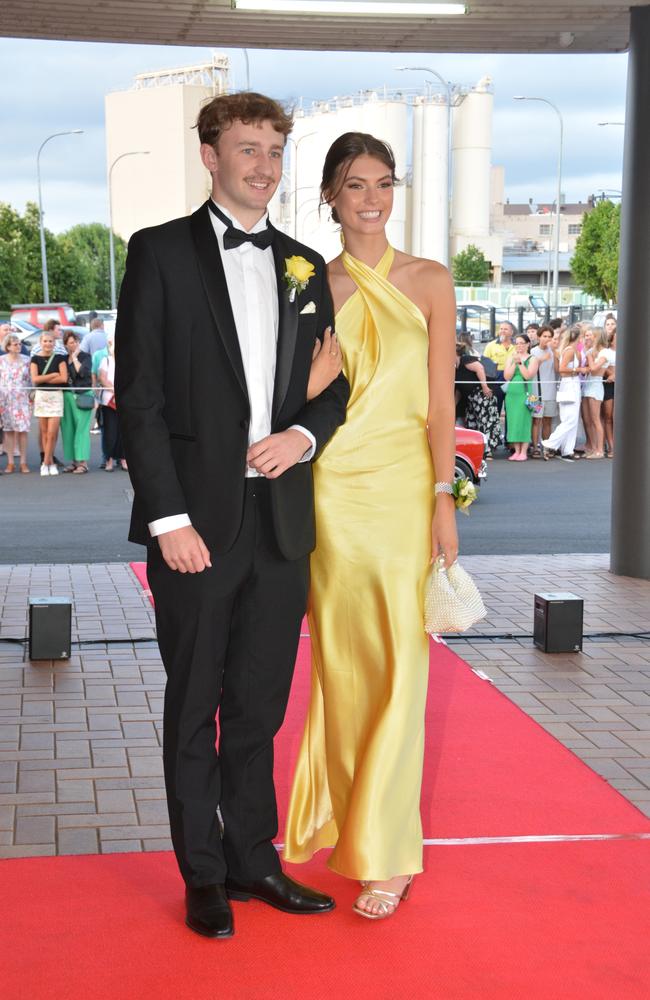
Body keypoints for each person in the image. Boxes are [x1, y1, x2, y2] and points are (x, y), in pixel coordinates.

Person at [115, 91, 350, 940]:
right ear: (209, 155)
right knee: (195, 704)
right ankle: (203, 876)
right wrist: (167, 517)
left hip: (281, 523)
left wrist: (300, 432)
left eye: (275, 152)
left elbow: (336, 388)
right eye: (247, 149)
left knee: (259, 703)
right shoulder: (159, 254)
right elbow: (136, 399)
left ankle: (255, 858)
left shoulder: (302, 263)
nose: (263, 167)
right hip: (195, 525)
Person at [284, 132, 458, 921]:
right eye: (356, 185)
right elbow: (287, 403)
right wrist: (308, 386)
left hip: (398, 496)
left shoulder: (429, 280)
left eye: (385, 183)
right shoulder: (309, 287)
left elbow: (441, 400)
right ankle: (349, 824)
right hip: (332, 496)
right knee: (343, 672)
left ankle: (388, 849)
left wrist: (442, 497)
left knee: (402, 669)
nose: (373, 198)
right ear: (330, 195)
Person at [542, 323, 585, 460]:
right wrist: (578, 370)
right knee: (570, 419)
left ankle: (567, 449)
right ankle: (550, 443)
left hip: (573, 383)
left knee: (571, 419)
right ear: (577, 337)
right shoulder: (569, 351)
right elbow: (562, 369)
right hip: (569, 383)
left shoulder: (572, 350)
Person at [30, 331, 68, 476]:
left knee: (53, 433)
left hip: (56, 396)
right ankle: (49, 463)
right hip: (41, 397)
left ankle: (46, 462)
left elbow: (64, 378)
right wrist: (53, 375)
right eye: (45, 341)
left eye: (50, 341)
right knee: (44, 433)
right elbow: (35, 379)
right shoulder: (35, 359)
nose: (48, 344)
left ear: (54, 343)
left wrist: (43, 378)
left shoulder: (60, 358)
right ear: (40, 343)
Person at [455, 343, 500, 456]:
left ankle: (488, 450)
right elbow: (459, 390)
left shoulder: (465, 360)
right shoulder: (455, 367)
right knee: (473, 423)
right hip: (471, 399)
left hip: (482, 395)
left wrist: (484, 386)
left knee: (486, 422)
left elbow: (479, 368)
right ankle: (477, 448)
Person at [503, 333, 540, 460]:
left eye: (521, 343)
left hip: (526, 394)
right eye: (516, 343)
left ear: (528, 344)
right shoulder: (510, 357)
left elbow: (528, 375)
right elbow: (507, 376)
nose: (519, 346)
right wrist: (514, 361)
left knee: (524, 421)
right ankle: (516, 450)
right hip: (512, 395)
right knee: (513, 422)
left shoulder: (533, 359)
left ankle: (524, 451)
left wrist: (520, 363)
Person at [61, 331, 93, 473]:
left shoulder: (85, 357)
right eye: (70, 343)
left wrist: (74, 358)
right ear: (66, 345)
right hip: (67, 396)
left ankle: (83, 463)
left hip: (83, 395)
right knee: (68, 429)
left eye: (75, 342)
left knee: (82, 429)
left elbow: (82, 373)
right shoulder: (62, 358)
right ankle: (74, 462)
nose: (74, 345)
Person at [0, 330, 32, 473]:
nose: (18, 346)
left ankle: (23, 462)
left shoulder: (27, 360)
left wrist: (32, 394)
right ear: (7, 346)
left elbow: (31, 380)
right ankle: (11, 462)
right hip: (5, 400)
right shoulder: (1, 361)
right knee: (8, 431)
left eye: (19, 344)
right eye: (15, 344)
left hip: (22, 399)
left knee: (23, 431)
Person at [98, 334, 127, 472]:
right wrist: (115, 391)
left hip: (124, 401)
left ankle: (123, 459)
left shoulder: (127, 361)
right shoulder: (106, 360)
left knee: (123, 432)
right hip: (109, 401)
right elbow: (102, 378)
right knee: (110, 432)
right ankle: (109, 459)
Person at [530, 325, 558, 458]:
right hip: (535, 393)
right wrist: (541, 359)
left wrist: (555, 353)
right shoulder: (533, 351)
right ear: (539, 337)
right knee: (536, 420)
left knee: (548, 420)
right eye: (544, 336)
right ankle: (535, 447)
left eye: (549, 336)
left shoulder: (554, 352)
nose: (547, 339)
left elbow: (558, 369)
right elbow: (530, 371)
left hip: (550, 391)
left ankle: (546, 445)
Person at [581, 326, 608, 459]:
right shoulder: (591, 351)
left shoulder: (605, 353)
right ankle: (591, 446)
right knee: (587, 419)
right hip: (587, 385)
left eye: (592, 335)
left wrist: (590, 356)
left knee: (596, 419)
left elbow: (593, 369)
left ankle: (599, 450)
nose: (589, 338)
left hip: (596, 385)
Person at [483, 320, 516, 417]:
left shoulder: (517, 345)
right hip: (496, 378)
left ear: (511, 332)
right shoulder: (491, 345)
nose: (503, 331)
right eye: (501, 329)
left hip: (513, 378)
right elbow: (484, 364)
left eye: (506, 329)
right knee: (495, 408)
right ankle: (494, 432)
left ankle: (509, 432)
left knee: (511, 409)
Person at [601, 327, 616, 458]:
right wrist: (611, 374)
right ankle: (611, 447)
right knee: (608, 416)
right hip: (608, 384)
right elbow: (603, 367)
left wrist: (616, 374)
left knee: (618, 417)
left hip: (623, 385)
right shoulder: (605, 351)